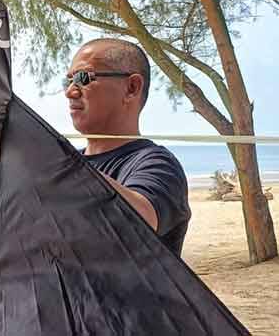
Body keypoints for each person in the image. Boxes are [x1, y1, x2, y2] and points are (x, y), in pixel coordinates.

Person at [65, 38, 191, 256]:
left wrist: (50, 160)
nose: (70, 92)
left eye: (82, 78)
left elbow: (140, 219)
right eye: (67, 82)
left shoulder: (157, 164)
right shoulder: (64, 163)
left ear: (131, 88)